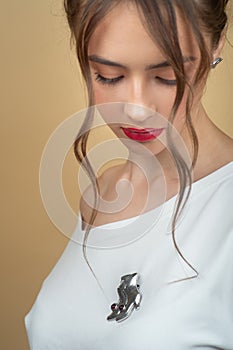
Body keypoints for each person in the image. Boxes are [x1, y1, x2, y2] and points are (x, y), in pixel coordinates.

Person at [25, 0, 233, 349]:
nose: (136, 110)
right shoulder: (103, 191)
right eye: (110, 76)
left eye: (166, 76)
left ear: (216, 42)